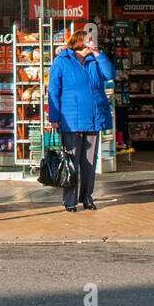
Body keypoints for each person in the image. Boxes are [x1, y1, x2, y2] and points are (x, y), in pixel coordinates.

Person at [47, 30, 112, 212]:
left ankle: (87, 198)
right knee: (71, 162)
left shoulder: (95, 60)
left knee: (90, 163)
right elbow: (53, 90)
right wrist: (54, 117)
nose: (93, 44)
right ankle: (70, 201)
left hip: (93, 118)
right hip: (71, 120)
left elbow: (110, 74)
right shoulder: (62, 61)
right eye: (91, 42)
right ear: (81, 42)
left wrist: (99, 53)